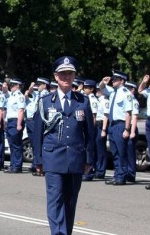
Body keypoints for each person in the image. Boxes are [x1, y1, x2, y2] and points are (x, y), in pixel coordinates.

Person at [33, 56, 94, 235]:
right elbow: (37, 133)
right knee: (55, 199)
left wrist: (89, 158)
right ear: (56, 77)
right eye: (62, 74)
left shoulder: (82, 101)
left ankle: (65, 232)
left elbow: (89, 132)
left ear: (74, 76)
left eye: (69, 73)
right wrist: (38, 160)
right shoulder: (45, 101)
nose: (66, 77)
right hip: (52, 158)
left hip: (76, 158)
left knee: (70, 201)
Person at [100, 70, 133, 185]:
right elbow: (101, 88)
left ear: (122, 81)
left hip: (120, 124)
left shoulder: (126, 93)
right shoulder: (113, 92)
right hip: (112, 125)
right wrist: (103, 82)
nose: (113, 81)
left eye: (115, 79)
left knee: (121, 152)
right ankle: (117, 174)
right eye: (113, 79)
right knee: (115, 152)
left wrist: (127, 129)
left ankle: (122, 176)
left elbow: (128, 113)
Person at [4, 78, 26, 173]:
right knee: (12, 145)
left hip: (16, 121)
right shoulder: (11, 96)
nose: (11, 86)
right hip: (10, 121)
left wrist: (19, 124)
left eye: (12, 85)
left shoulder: (19, 96)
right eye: (10, 85)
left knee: (16, 145)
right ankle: (13, 165)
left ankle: (17, 166)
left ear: (18, 86)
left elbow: (21, 111)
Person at [81, 79, 99, 181]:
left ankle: (90, 171)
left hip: (91, 127)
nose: (85, 89)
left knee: (90, 149)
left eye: (87, 88)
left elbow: (93, 116)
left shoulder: (92, 100)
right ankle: (86, 170)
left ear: (92, 89)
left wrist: (90, 129)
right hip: (86, 127)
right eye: (84, 87)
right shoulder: (85, 98)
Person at [125, 81, 139, 183]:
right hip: (126, 127)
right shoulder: (127, 100)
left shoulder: (134, 101)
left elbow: (134, 117)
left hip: (131, 128)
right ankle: (126, 172)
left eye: (129, 88)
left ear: (133, 90)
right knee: (124, 152)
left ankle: (131, 174)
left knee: (130, 153)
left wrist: (132, 131)